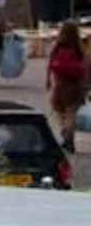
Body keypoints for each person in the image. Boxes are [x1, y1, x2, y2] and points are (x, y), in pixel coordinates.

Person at [48, 20, 87, 148]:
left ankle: (66, 134)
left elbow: (50, 65)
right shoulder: (79, 50)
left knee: (59, 112)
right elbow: (85, 69)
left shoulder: (58, 48)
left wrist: (48, 80)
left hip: (60, 85)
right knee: (71, 113)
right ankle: (69, 137)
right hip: (75, 85)